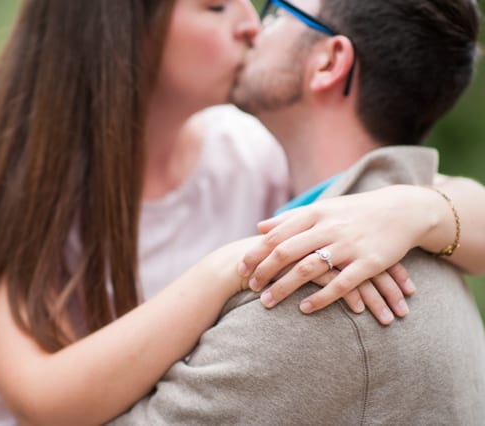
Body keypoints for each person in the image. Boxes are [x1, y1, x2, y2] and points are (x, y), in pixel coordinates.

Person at [0, 0, 485, 424]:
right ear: (124, 29)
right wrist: (224, 269)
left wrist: (416, 210)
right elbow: (44, 398)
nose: (249, 23)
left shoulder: (247, 152)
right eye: (213, 7)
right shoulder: (6, 189)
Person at [110, 0, 485, 424]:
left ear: (329, 62)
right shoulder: (415, 230)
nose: (252, 27)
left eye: (275, 12)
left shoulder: (314, 289)